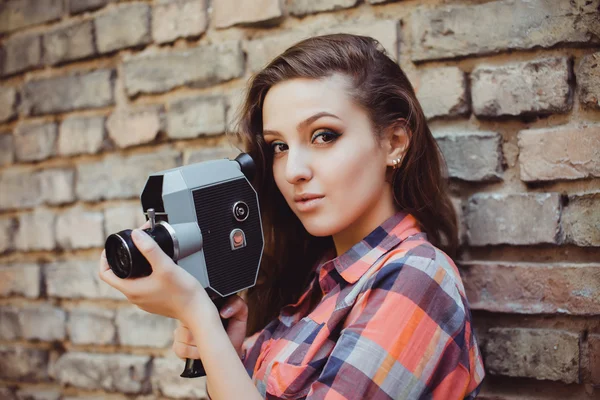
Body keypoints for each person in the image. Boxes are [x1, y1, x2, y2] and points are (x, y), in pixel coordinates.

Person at [99, 34, 485, 399]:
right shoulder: (314, 289)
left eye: (324, 135)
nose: (292, 170)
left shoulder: (417, 276)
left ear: (394, 143)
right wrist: (225, 349)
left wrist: (195, 313)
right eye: (279, 146)